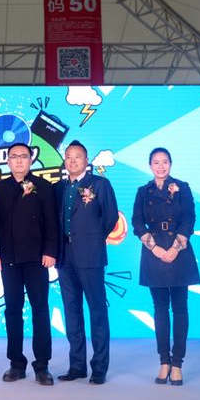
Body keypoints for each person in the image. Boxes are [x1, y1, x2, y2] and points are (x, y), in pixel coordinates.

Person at [0, 143, 58, 386]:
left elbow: (52, 222)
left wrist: (50, 250)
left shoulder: (43, 186)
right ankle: (16, 363)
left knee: (40, 309)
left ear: (31, 160)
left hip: (37, 258)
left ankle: (42, 365)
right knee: (13, 310)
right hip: (9, 258)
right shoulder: (0, 188)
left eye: (23, 156)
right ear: (7, 161)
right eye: (14, 157)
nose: (19, 160)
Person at [131, 147, 200, 386]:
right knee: (160, 309)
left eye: (165, 162)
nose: (161, 167)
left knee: (180, 308)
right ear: (150, 165)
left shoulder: (183, 187)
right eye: (156, 162)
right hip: (153, 252)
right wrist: (154, 248)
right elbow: (137, 222)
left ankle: (178, 363)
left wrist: (174, 248)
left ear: (171, 164)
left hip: (179, 250)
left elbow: (189, 219)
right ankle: (164, 361)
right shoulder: (143, 192)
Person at [53, 141, 119, 385]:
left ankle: (99, 368)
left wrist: (92, 239)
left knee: (97, 311)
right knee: (72, 312)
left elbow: (110, 218)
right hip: (64, 257)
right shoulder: (58, 187)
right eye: (68, 156)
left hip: (90, 256)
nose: (72, 160)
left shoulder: (100, 184)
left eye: (77, 156)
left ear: (86, 159)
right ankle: (77, 366)